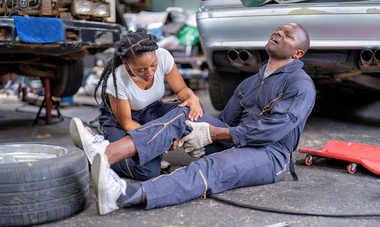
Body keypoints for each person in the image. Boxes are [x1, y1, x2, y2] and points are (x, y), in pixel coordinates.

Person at [71, 22, 316, 215]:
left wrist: (213, 134)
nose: (279, 33)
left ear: (297, 53)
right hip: (237, 139)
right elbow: (224, 121)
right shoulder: (250, 82)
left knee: (210, 168)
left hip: (270, 154)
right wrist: (195, 130)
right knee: (185, 111)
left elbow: (270, 132)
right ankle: (105, 153)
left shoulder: (300, 85)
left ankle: (123, 195)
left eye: (288, 34)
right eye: (279, 30)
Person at [70, 28, 203, 180]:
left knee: (191, 109)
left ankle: (127, 149)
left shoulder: (163, 56)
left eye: (153, 65)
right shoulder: (118, 78)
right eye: (141, 69)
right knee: (148, 171)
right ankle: (99, 150)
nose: (149, 72)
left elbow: (181, 90)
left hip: (152, 111)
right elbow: (127, 123)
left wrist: (192, 97)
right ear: (127, 64)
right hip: (121, 123)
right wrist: (162, 138)